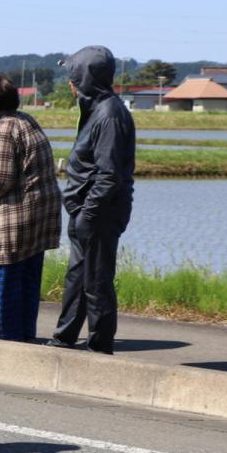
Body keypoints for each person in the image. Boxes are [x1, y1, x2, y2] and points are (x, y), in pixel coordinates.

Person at [46, 46, 136, 354]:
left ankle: (100, 347)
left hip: (99, 213)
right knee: (77, 279)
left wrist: (88, 215)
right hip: (85, 210)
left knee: (96, 282)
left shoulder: (109, 115)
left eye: (73, 76)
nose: (70, 83)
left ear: (86, 79)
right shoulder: (95, 109)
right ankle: (64, 338)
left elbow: (109, 175)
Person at [0, 74, 62, 342]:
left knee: (2, 278)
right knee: (27, 280)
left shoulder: (3, 128)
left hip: (16, 217)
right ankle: (23, 337)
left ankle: (10, 339)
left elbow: (0, 180)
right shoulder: (25, 119)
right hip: (40, 215)